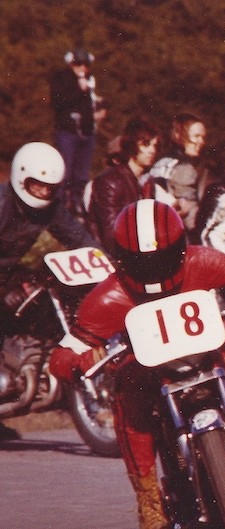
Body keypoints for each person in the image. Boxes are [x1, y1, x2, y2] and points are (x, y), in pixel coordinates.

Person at [48, 200, 225, 529]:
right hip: (148, 364)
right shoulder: (110, 295)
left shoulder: (201, 260)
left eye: (162, 257)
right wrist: (82, 361)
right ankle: (150, 504)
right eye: (141, 262)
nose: (153, 269)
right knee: (128, 394)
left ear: (180, 249)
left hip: (206, 347)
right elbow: (62, 355)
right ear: (123, 259)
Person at [0, 142, 101, 441]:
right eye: (37, 186)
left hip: (9, 271)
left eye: (50, 188)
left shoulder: (52, 209)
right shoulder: (3, 204)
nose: (44, 193)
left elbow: (78, 237)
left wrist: (103, 260)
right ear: (21, 177)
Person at [87, 118, 159, 249]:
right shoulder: (110, 182)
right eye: (146, 144)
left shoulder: (148, 183)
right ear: (132, 145)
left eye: (154, 145)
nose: (152, 150)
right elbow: (110, 234)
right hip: (106, 255)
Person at [50, 47, 104, 216]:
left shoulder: (90, 80)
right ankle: (58, 208)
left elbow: (94, 102)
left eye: (85, 65)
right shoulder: (62, 78)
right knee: (64, 173)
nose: (82, 68)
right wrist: (78, 90)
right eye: (78, 64)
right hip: (67, 132)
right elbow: (58, 102)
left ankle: (77, 207)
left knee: (81, 175)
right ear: (71, 64)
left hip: (87, 133)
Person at [149, 113, 209, 238]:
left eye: (203, 137)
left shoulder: (161, 161)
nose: (201, 141)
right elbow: (191, 217)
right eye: (196, 136)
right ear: (178, 135)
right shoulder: (185, 168)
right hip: (177, 235)